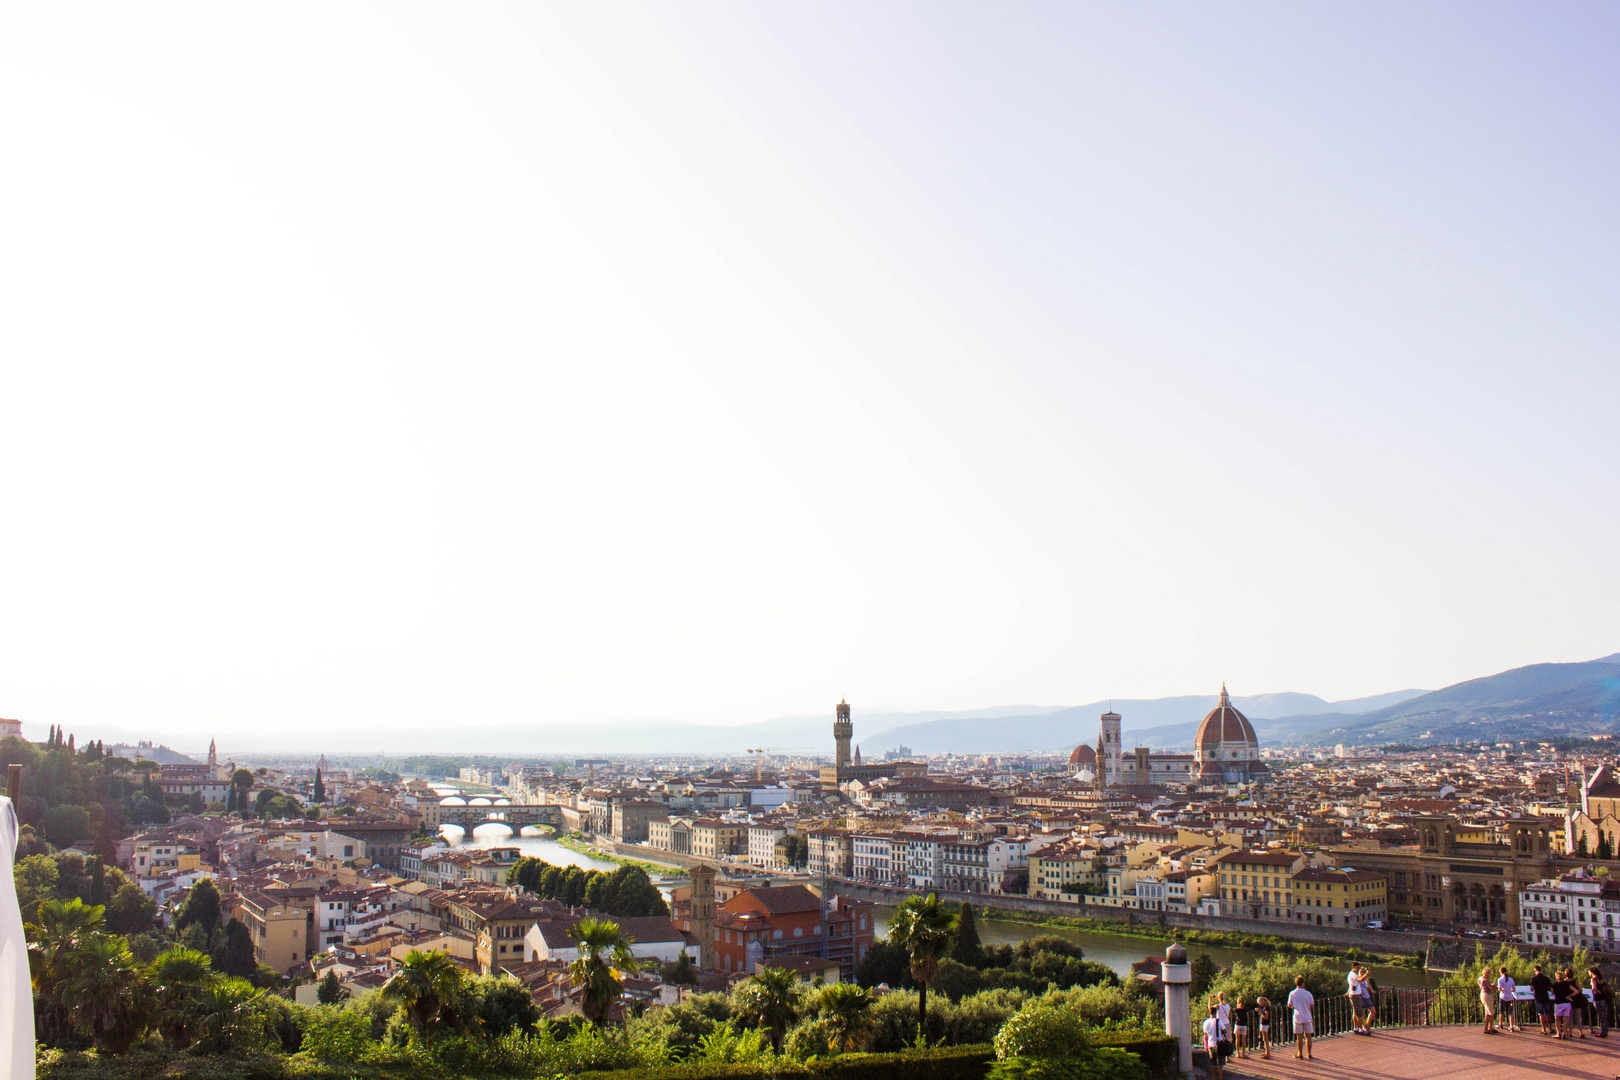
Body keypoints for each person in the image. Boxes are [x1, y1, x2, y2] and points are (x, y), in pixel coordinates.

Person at [1287, 975, 1315, 1060]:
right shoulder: (1308, 993)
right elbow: (1312, 1004)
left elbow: (1289, 1004)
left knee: (1299, 1037)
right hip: (1307, 1016)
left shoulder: (1292, 993)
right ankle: (1309, 1053)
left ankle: (1300, 1053)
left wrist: (1295, 1007)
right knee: (1308, 1036)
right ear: (1303, 984)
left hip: (1298, 1016)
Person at [1204, 1004, 1228, 1080]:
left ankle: (1213, 1078)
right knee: (1220, 1064)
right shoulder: (1218, 1021)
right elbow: (1225, 1030)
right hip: (1219, 1044)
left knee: (1212, 1063)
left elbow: (1205, 1034)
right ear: (1215, 1013)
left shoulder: (1205, 1022)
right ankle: (1220, 1078)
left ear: (1209, 1013)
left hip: (1210, 1044)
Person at [1552, 967, 1576, 1039]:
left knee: (1557, 1019)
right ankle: (1564, 1033)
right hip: (1567, 1003)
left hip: (1558, 1003)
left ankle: (1558, 1033)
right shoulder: (1567, 984)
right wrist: (1569, 995)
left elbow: (1552, 993)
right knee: (1566, 1020)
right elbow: (1576, 991)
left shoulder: (1554, 985)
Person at [1531, 964, 1554, 1035]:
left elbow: (1532, 989)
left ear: (1535, 971)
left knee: (1541, 1013)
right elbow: (1550, 988)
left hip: (1538, 997)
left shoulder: (1534, 978)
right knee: (1548, 1013)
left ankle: (1543, 1029)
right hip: (1545, 996)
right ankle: (1550, 1028)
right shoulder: (1546, 978)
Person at [1498, 968, 1522, 1033]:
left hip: (1503, 997)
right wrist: (1509, 990)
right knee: (1511, 1012)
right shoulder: (1511, 979)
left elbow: (1499, 989)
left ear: (1500, 972)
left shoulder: (1500, 979)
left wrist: (1503, 989)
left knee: (1501, 1011)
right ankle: (1511, 1026)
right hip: (1510, 998)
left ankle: (1500, 1024)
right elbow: (1514, 989)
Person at [1591, 970, 1612, 1038]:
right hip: (1604, 999)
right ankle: (1605, 1031)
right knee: (1604, 1015)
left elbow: (1594, 988)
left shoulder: (1594, 979)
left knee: (1600, 1015)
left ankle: (1602, 1031)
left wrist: (1597, 991)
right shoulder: (1601, 979)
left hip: (1598, 999)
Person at [1479, 965, 1499, 1034]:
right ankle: (1490, 1028)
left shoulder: (1480, 978)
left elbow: (1484, 987)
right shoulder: (1486, 980)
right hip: (1487, 996)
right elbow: (1492, 989)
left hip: (1483, 995)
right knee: (1491, 1012)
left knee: (1487, 1012)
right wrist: (1494, 986)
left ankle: (1486, 1028)